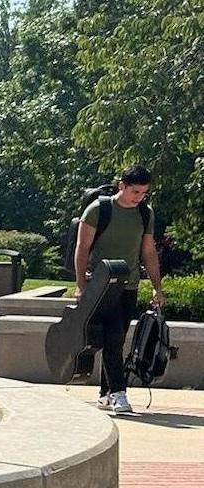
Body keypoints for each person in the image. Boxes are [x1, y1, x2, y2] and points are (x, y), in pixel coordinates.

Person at [73, 163, 166, 415]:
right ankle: (119, 393)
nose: (140, 197)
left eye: (144, 193)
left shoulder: (145, 213)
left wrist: (157, 288)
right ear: (122, 186)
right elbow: (82, 249)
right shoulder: (98, 210)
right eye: (136, 192)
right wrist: (81, 286)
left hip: (129, 286)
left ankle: (105, 393)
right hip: (101, 286)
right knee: (113, 338)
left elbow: (148, 251)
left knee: (116, 338)